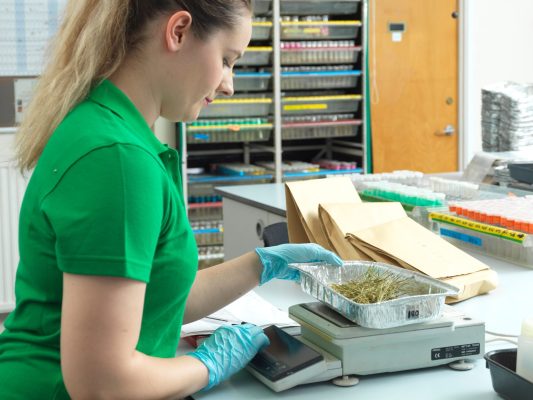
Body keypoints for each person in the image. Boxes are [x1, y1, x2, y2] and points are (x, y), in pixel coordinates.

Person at [0, 1, 342, 399]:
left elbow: (156, 298)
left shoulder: (105, 127)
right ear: (178, 31)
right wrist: (206, 365)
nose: (229, 84)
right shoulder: (118, 159)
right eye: (228, 59)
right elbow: (101, 386)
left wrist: (261, 264)